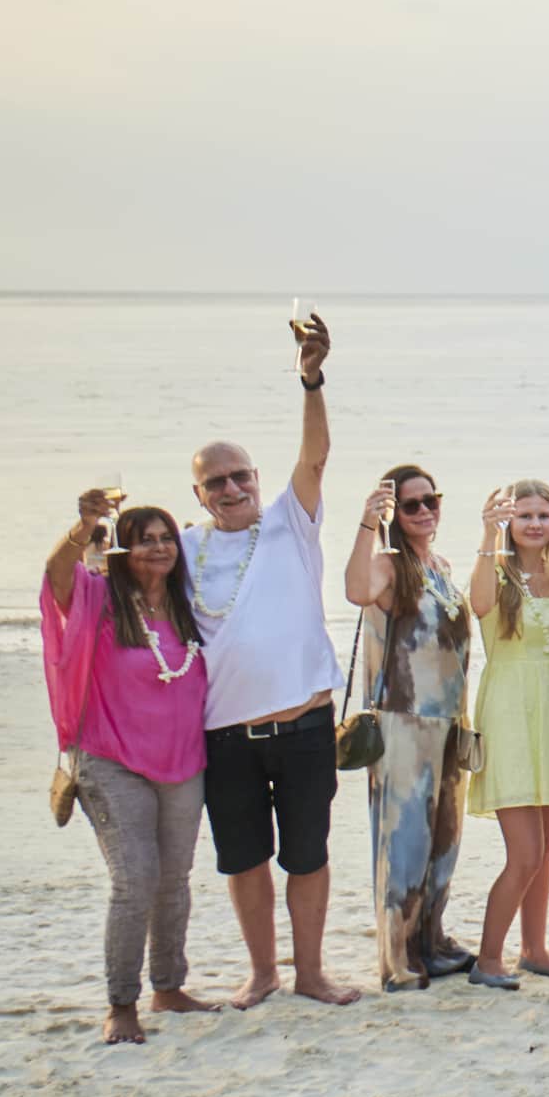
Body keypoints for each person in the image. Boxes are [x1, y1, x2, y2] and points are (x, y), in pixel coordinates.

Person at [185, 312, 359, 1008]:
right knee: (244, 857)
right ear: (198, 494)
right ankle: (262, 971)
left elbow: (316, 453)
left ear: (257, 478)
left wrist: (311, 380)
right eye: (216, 483)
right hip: (225, 734)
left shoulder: (292, 518)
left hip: (306, 726)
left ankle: (311, 971)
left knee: (307, 852)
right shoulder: (184, 550)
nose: (231, 489)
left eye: (239, 476)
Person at [43, 493, 216, 1043]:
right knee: (135, 879)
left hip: (184, 762)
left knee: (174, 880)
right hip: (111, 758)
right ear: (123, 549)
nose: (160, 547)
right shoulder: (98, 598)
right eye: (146, 539)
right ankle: (122, 1004)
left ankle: (168, 986)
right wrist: (87, 523)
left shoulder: (190, 605)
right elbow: (55, 574)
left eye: (167, 538)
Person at [344, 464, 476, 991]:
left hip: (448, 720)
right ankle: (395, 956)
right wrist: (363, 522)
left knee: (445, 840)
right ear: (392, 514)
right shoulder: (388, 564)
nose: (424, 512)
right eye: (411, 505)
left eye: (431, 501)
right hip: (403, 720)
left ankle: (430, 940)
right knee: (404, 843)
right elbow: (356, 590)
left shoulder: (438, 564)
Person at [464, 479, 549, 990]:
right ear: (510, 524)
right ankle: (487, 959)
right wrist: (487, 533)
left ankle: (534, 949)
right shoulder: (495, 572)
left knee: (546, 850)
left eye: (545, 515)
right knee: (525, 854)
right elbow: (476, 606)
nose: (536, 524)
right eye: (525, 516)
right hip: (511, 717)